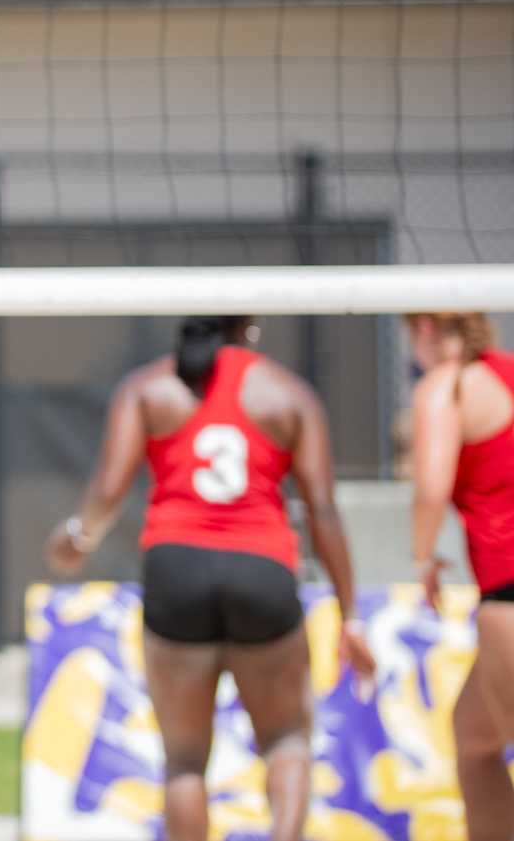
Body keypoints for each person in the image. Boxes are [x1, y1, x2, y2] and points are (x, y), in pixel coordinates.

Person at [46, 315, 373, 841]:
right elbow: (323, 510)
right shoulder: (288, 394)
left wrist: (77, 537)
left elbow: (108, 489)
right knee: (287, 740)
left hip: (177, 569)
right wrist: (349, 613)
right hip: (260, 567)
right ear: (251, 323)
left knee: (184, 760)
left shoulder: (150, 387)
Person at [407, 311, 514, 834]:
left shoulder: (445, 387)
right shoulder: (507, 372)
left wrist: (423, 557)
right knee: (474, 737)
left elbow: (430, 488)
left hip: (508, 591)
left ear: (425, 327)